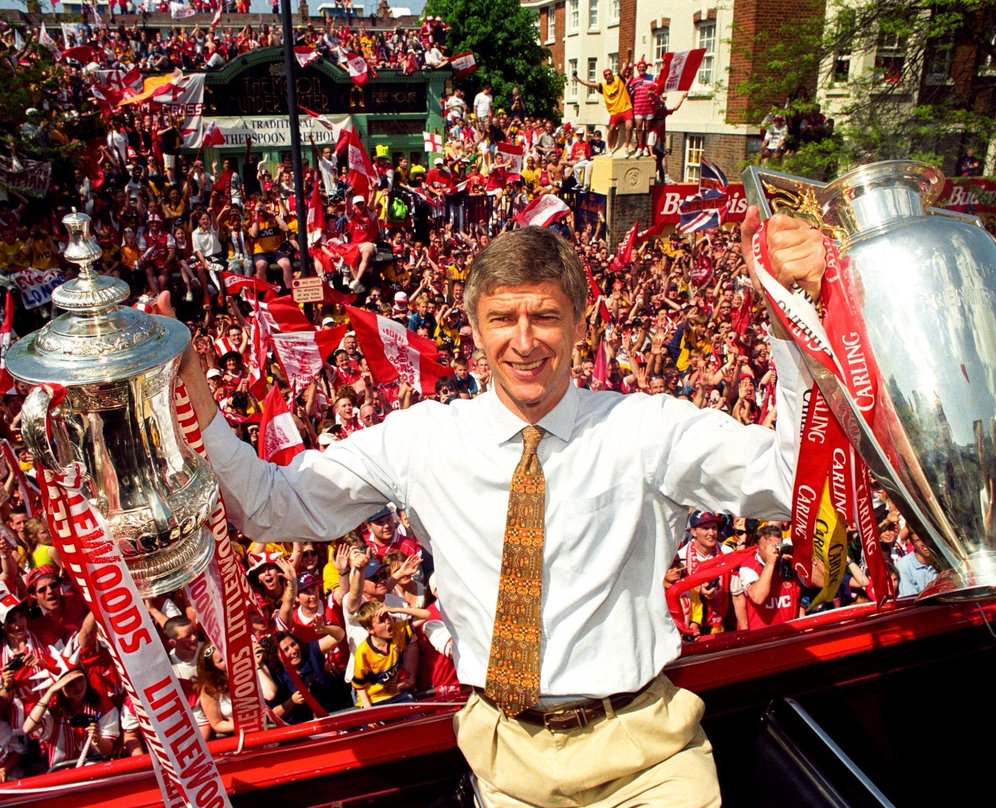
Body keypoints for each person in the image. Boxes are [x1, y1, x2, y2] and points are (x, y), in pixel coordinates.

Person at [164, 210, 824, 806]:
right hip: (508, 770)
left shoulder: (647, 429)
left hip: (649, 763)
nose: (525, 340)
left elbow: (792, 479)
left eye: (545, 316)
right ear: (474, 328)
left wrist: (791, 317)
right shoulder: (421, 441)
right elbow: (273, 508)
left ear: (580, 326)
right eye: (503, 318)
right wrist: (194, 395)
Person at [571, 67, 633, 155]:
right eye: (606, 75)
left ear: (612, 74)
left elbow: (624, 67)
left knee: (629, 126)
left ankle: (626, 147)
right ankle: (610, 149)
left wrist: (629, 56)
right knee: (611, 128)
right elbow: (590, 84)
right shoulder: (603, 86)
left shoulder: (618, 79)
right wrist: (578, 80)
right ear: (604, 77)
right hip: (614, 111)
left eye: (609, 74)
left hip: (626, 108)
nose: (608, 76)